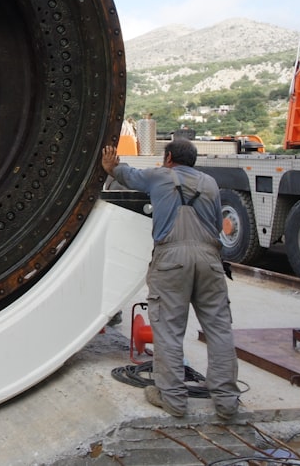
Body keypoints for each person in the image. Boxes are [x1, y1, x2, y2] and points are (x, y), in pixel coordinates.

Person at [101, 139, 240, 420]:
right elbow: (215, 226)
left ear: (167, 158)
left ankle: (173, 399)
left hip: (171, 260)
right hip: (210, 260)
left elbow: (128, 176)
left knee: (169, 331)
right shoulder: (210, 184)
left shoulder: (160, 176)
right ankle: (226, 402)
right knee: (219, 330)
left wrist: (112, 166)